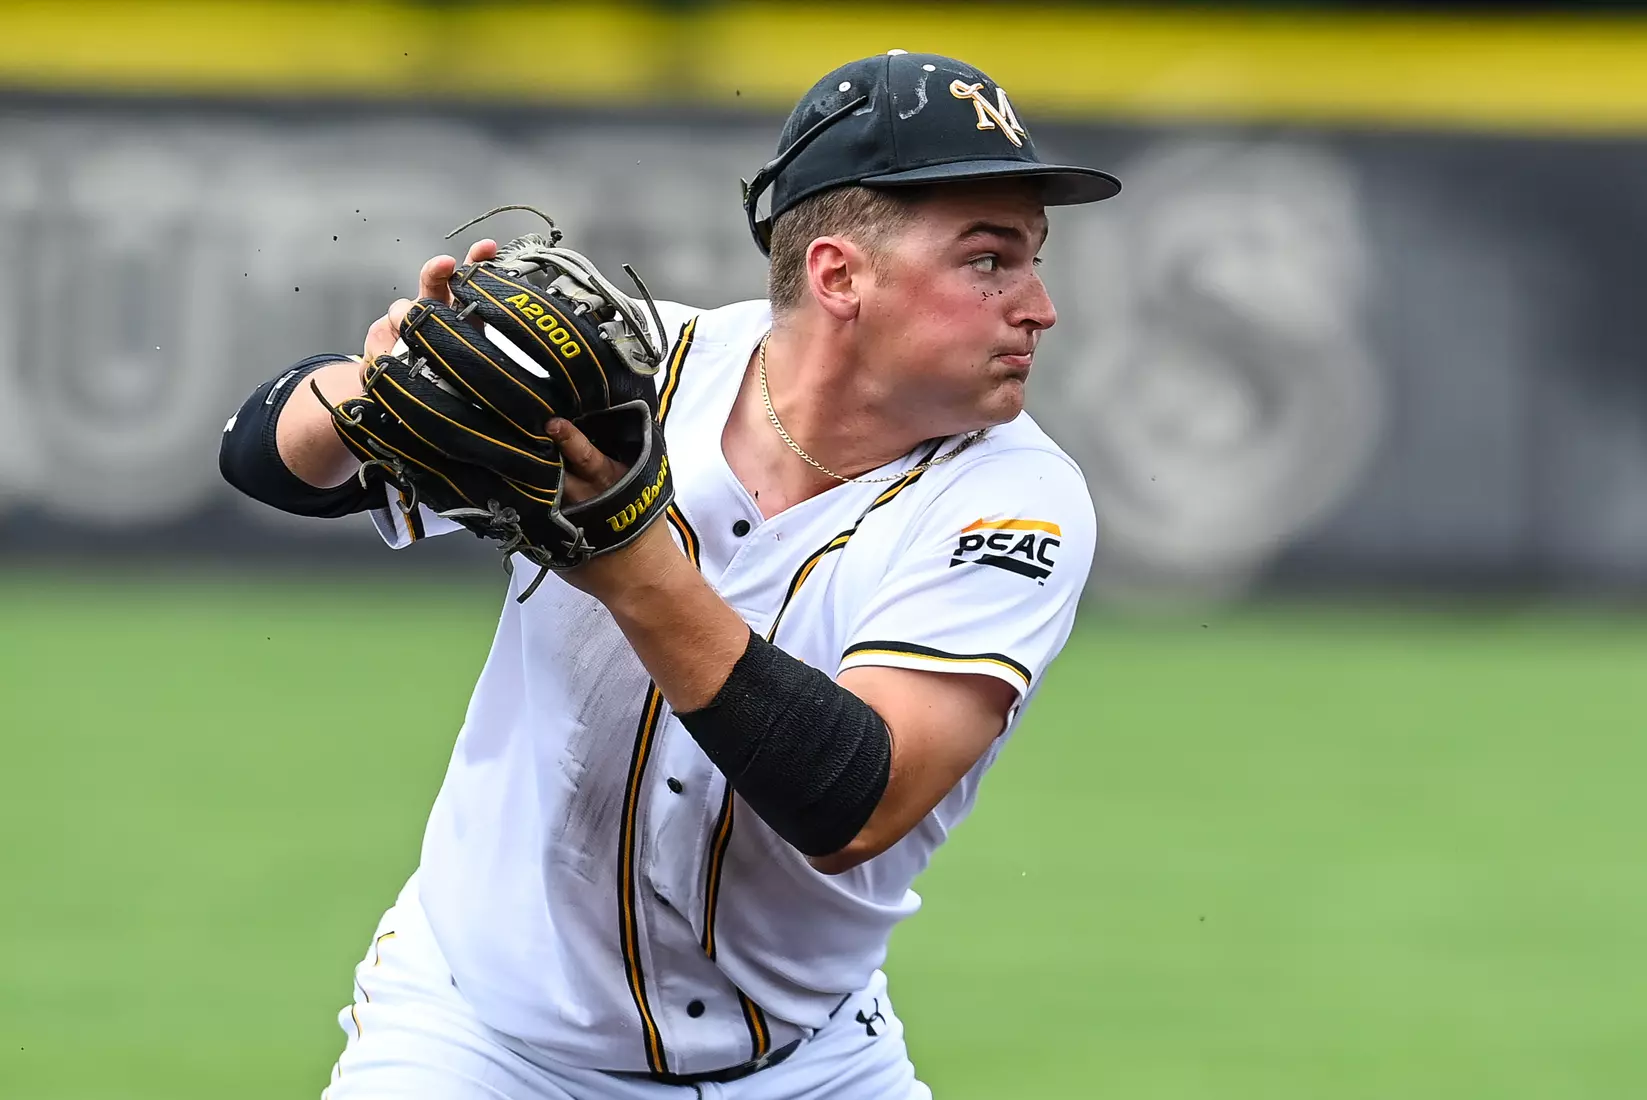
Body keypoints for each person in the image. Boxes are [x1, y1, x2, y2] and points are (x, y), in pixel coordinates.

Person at [220, 49, 1119, 1100]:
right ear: (839, 275)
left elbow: (854, 798)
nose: (1039, 305)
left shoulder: (1016, 499)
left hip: (808, 1066)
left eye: (1033, 257)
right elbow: (263, 458)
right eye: (989, 259)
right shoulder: (632, 377)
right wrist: (376, 388)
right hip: (479, 1041)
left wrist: (626, 550)